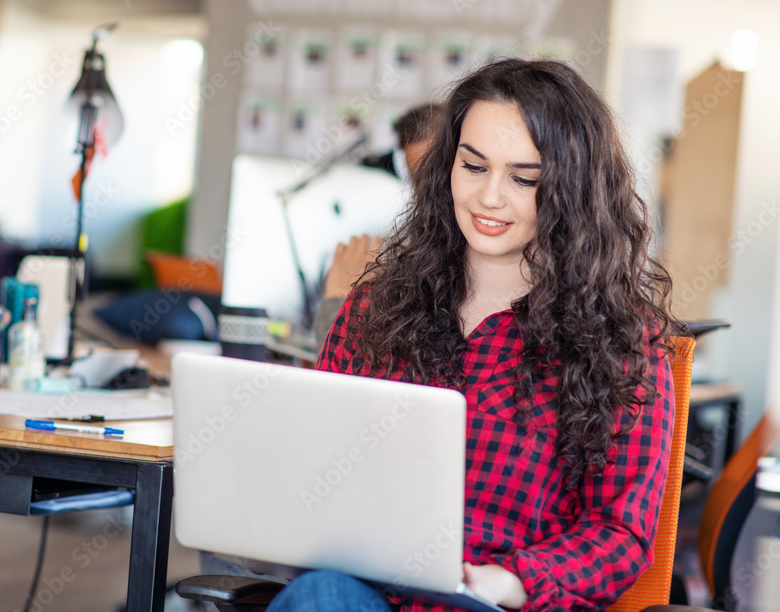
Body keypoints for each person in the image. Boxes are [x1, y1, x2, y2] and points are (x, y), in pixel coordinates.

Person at [269, 58, 677, 611]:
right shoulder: (373, 309)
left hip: (502, 602)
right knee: (321, 595)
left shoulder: (622, 342)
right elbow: (313, 470)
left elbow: (618, 534)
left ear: (573, 189)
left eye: (523, 178)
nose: (489, 197)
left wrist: (508, 580)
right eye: (474, 166)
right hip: (367, 594)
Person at [312, 104, 445, 344]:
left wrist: (341, 299)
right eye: (418, 181)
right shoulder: (415, 253)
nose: (427, 195)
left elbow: (340, 361)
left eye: (437, 175)